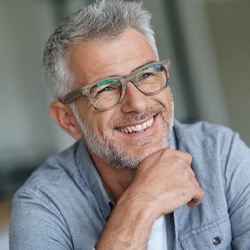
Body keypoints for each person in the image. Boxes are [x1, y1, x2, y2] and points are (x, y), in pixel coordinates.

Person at [9, 0, 250, 249]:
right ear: (68, 120)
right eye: (106, 88)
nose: (138, 104)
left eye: (146, 74)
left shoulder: (221, 155)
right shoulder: (42, 204)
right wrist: (140, 202)